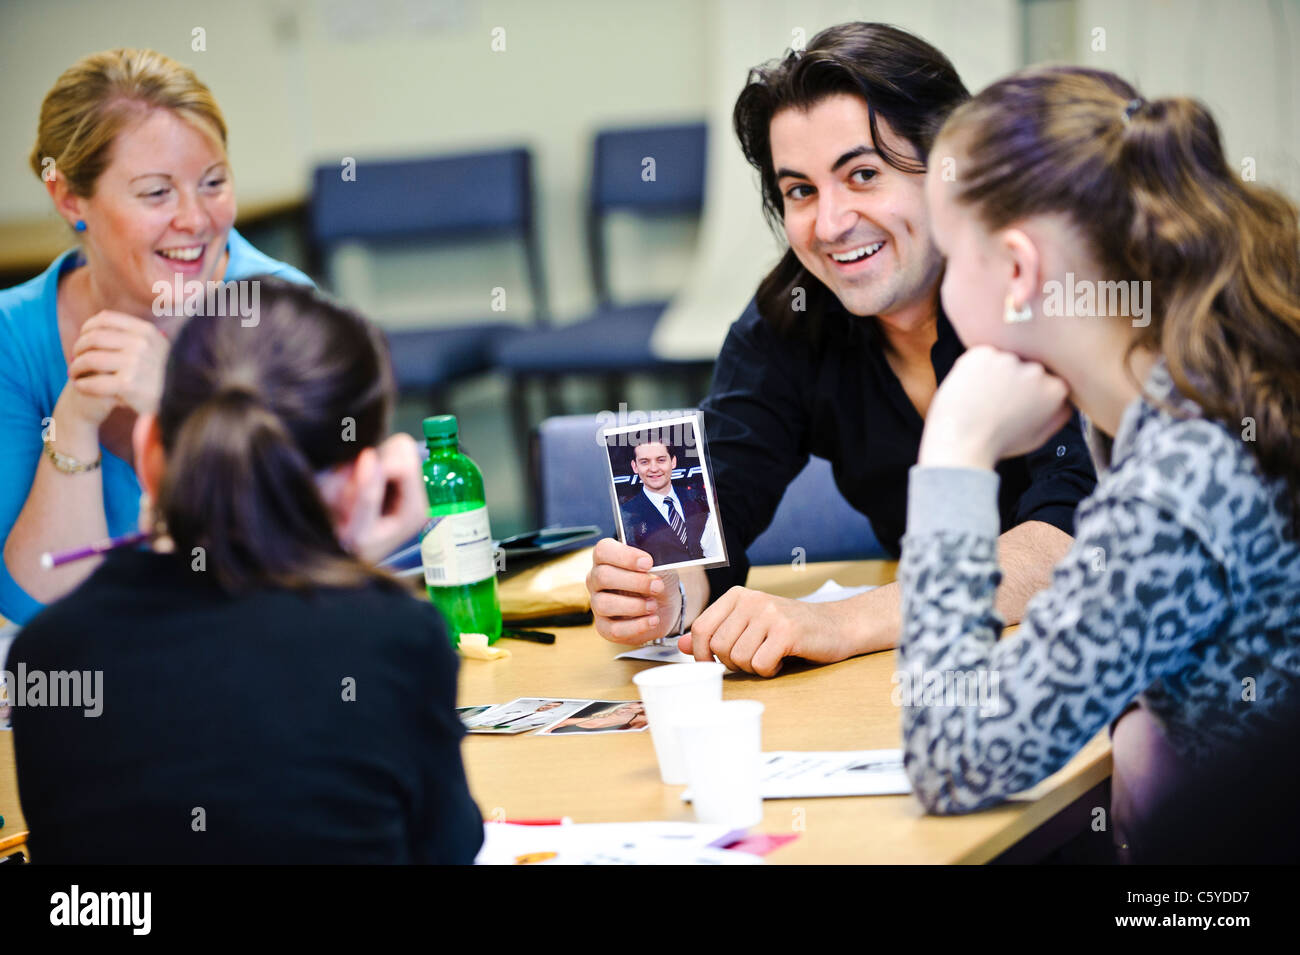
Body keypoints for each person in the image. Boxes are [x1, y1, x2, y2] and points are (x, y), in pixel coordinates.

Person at [586, 22, 1097, 676]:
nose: (829, 224)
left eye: (862, 174)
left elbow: (1076, 533)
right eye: (800, 190)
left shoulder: (1043, 289)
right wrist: (664, 592)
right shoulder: (790, 315)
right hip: (932, 669)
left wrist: (841, 621)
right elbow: (713, 506)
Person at [898, 66, 1300, 857]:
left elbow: (952, 759)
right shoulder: (1212, 391)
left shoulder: (1176, 483)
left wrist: (954, 453)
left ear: (1017, 271)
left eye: (949, 258)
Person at [9, 279, 484, 864]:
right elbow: (448, 850)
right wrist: (350, 568)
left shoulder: (49, 654)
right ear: (363, 483)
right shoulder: (395, 637)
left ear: (150, 449)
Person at [0, 48, 312, 624]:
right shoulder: (12, 335)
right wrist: (73, 423)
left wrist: (177, 407)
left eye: (213, 182)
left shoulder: (283, 311)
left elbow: (300, 559)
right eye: (156, 193)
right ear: (70, 198)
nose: (195, 219)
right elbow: (36, 604)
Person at [617, 439, 723, 567]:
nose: (654, 468)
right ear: (635, 466)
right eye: (644, 462)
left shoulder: (698, 500)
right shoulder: (627, 514)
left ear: (673, 462)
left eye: (661, 460)